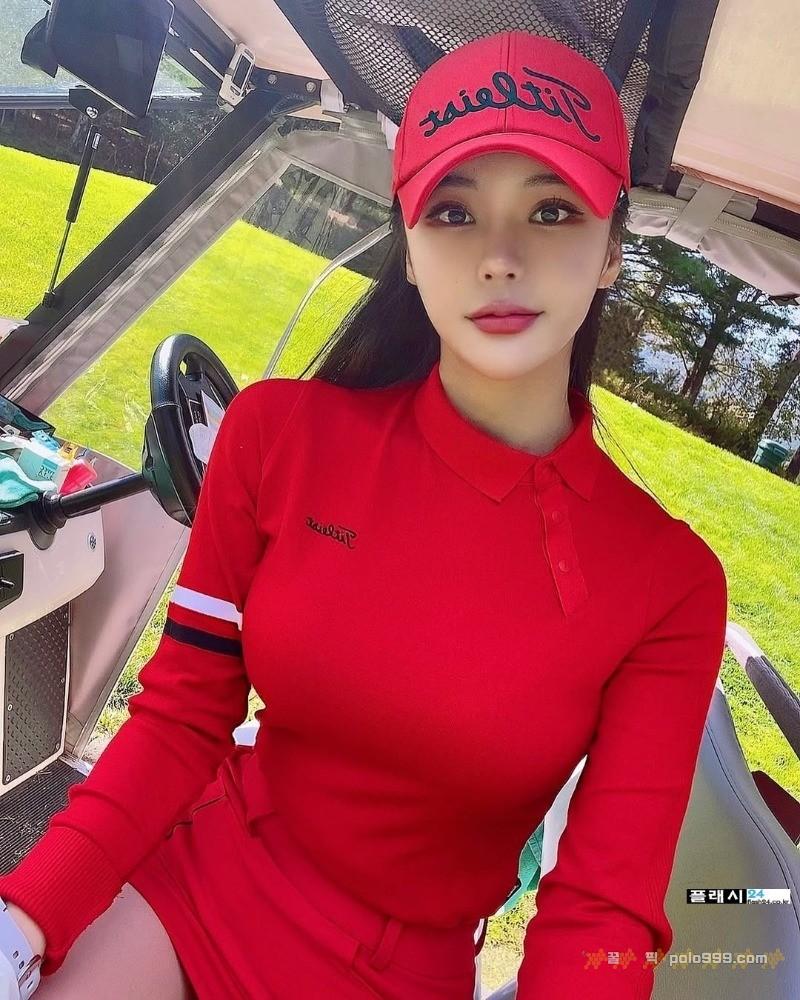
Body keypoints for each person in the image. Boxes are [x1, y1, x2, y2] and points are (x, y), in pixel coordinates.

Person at [0, 30, 728, 1000]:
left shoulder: (667, 583)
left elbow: (603, 912)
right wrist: (24, 918)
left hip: (402, 974)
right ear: (411, 248)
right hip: (205, 882)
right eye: (454, 212)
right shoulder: (276, 434)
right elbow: (181, 716)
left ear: (609, 252)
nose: (499, 257)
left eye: (550, 210)